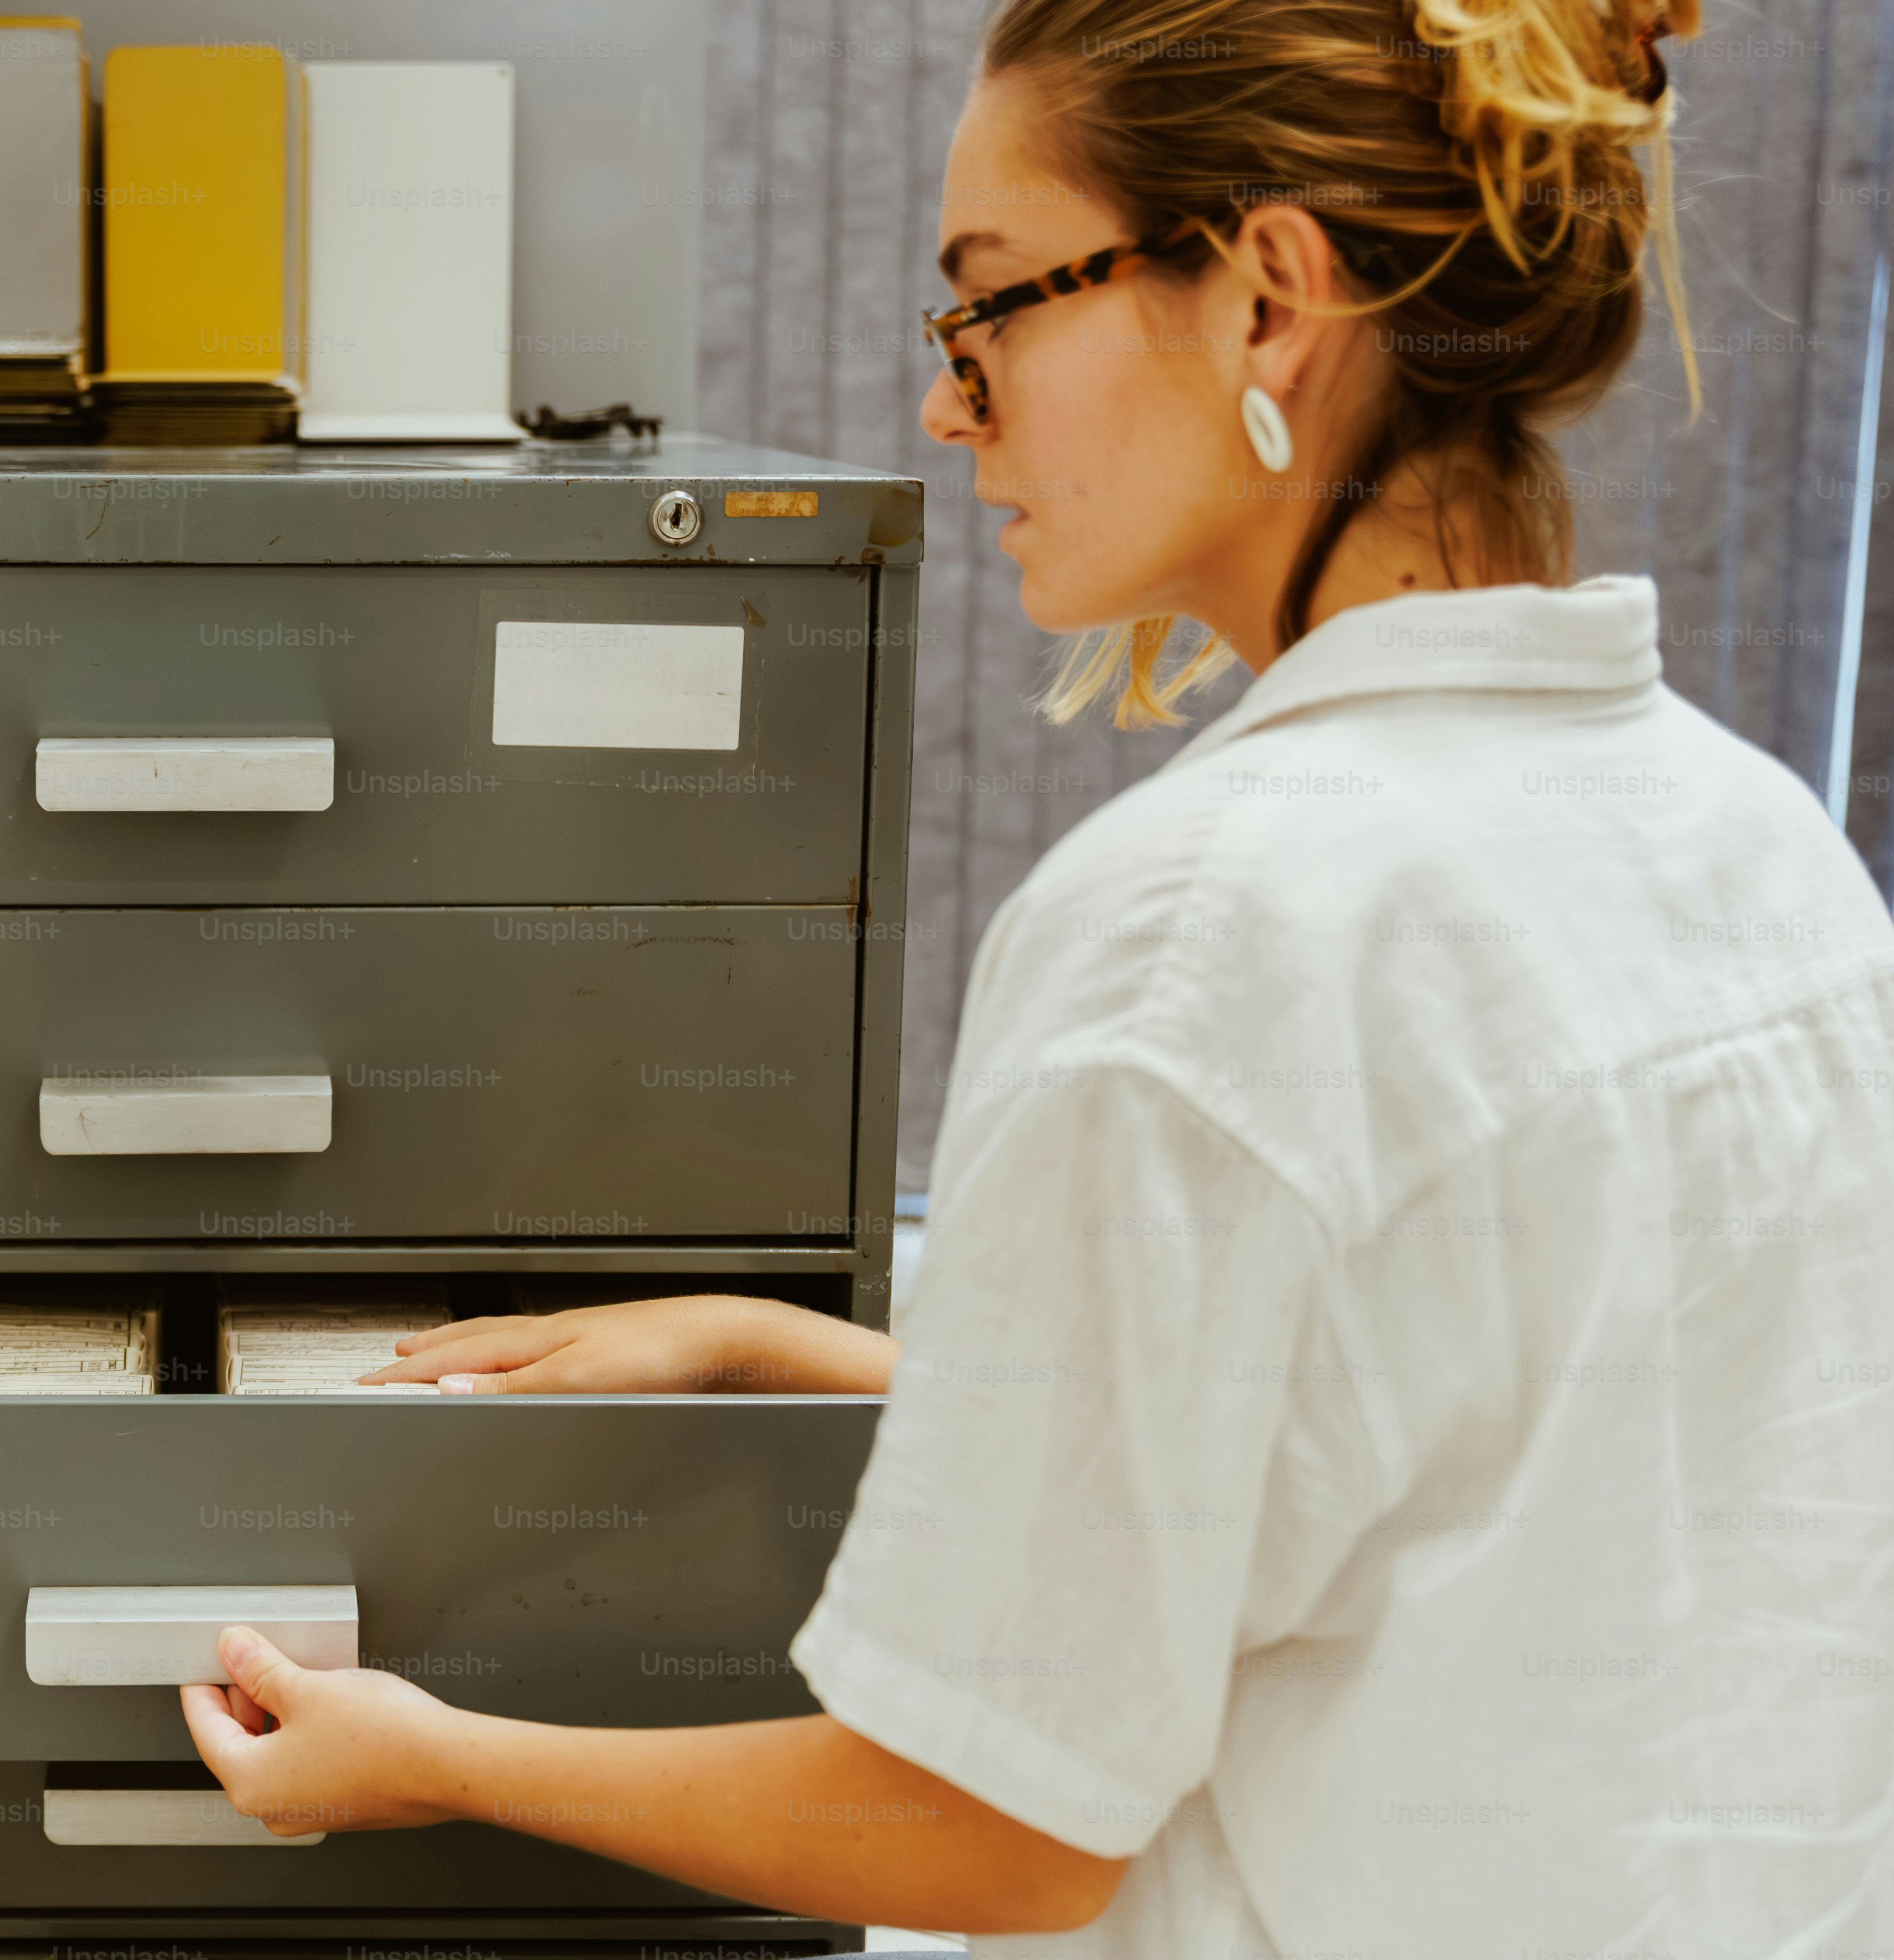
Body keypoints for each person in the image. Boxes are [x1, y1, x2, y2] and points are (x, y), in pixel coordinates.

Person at [179, 0, 1894, 1950]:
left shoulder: (1205, 937)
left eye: (995, 301)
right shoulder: (1777, 866)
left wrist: (441, 1753)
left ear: (1267, 301)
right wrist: (773, 1341)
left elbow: (985, 1823)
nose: (948, 401)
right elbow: (1387, 1443)